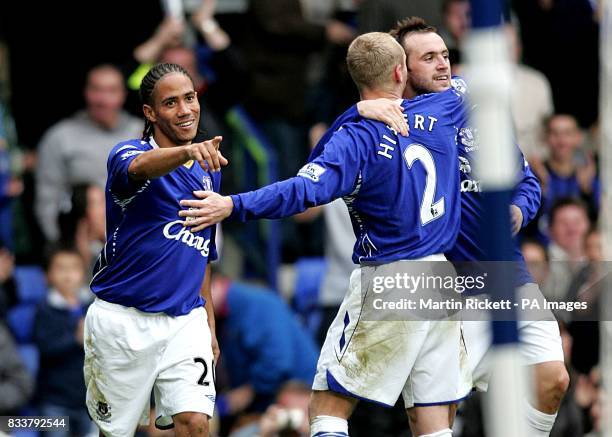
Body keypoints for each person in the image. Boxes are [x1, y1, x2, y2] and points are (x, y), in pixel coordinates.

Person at [179, 32, 469, 437]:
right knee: (433, 419)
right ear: (401, 71)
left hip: (393, 277)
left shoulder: (356, 135)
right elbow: (461, 88)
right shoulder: (445, 107)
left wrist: (233, 204)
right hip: (441, 278)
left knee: (327, 407)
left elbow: (304, 189)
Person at [340, 17, 568, 437]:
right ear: (400, 71)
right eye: (429, 58)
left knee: (553, 378)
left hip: (504, 273)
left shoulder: (477, 113)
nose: (444, 65)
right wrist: (357, 110)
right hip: (437, 286)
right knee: (433, 417)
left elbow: (527, 180)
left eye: (445, 54)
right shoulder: (385, 128)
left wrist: (518, 208)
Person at [83, 62, 227, 437]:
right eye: (171, 103)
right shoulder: (126, 153)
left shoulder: (209, 169)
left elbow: (202, 252)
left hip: (185, 320)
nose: (185, 110)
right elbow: (140, 168)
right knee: (117, 432)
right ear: (150, 113)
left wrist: (209, 325)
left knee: (195, 422)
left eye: (190, 98)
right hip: (122, 320)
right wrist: (187, 152)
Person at [35, 64, 142, 243]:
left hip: (136, 244)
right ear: (86, 92)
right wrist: (64, 251)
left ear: (123, 94)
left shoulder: (142, 134)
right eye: (96, 90)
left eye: (112, 90)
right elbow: (47, 201)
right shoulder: (60, 137)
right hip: (83, 246)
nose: (103, 99)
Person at [33, 247, 92, 437]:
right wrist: (75, 338)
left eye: (74, 268)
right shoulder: (44, 310)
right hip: (54, 401)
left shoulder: (92, 307)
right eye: (60, 268)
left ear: (83, 274)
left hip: (88, 400)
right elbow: (45, 347)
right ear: (47, 275)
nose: (68, 275)